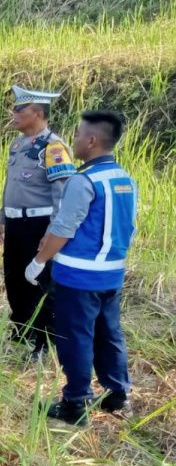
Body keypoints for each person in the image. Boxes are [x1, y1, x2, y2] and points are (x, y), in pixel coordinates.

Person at [26, 110, 138, 425]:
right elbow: (129, 228)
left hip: (78, 276)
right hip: (112, 273)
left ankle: (75, 403)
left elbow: (63, 229)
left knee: (75, 337)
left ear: (91, 140)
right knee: (109, 333)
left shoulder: (83, 180)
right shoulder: (124, 179)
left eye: (77, 135)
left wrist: (39, 261)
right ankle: (118, 395)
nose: (73, 140)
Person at [0, 85, 76, 360]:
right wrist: (2, 220)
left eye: (20, 109)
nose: (13, 114)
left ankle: (42, 343)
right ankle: (21, 334)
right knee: (14, 280)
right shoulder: (17, 145)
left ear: (38, 113)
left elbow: (63, 194)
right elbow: (10, 186)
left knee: (39, 284)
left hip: (39, 225)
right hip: (16, 225)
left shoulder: (54, 147)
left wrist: (52, 231)